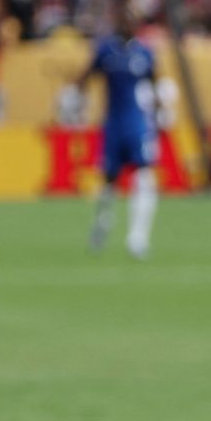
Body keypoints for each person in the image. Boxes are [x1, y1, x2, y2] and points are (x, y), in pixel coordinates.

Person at [67, 16, 166, 259]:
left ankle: (138, 238)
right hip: (113, 124)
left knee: (144, 175)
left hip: (138, 124)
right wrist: (75, 101)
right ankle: (101, 227)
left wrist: (160, 113)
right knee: (109, 180)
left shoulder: (144, 53)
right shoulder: (106, 50)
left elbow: (155, 84)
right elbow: (86, 76)